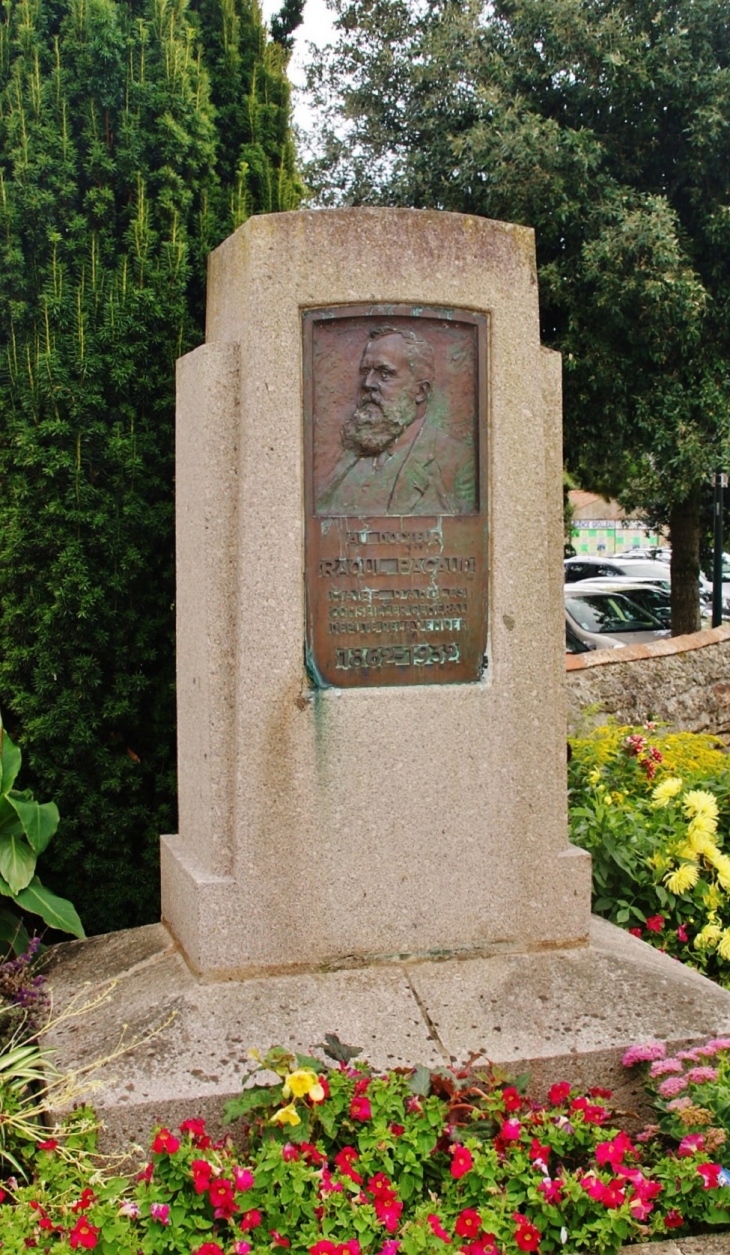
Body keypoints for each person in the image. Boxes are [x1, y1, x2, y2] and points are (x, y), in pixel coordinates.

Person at [316, 325, 475, 515]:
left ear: (420, 391)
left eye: (385, 374)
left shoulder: (458, 464)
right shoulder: (346, 462)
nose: (368, 384)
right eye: (366, 372)